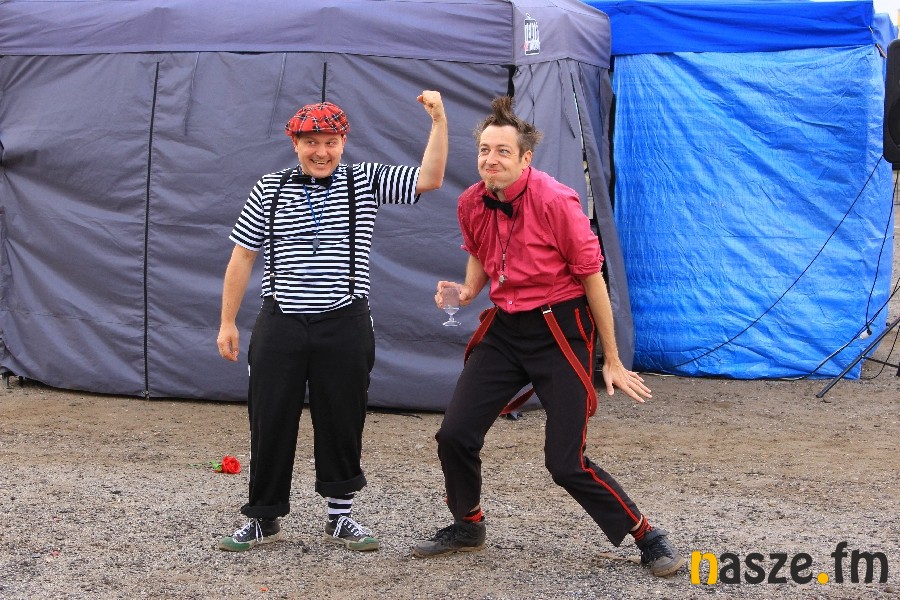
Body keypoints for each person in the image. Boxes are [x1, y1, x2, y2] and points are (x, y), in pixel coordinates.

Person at [412, 96, 684, 577]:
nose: (491, 160)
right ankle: (468, 525)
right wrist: (466, 291)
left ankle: (647, 535)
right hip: (506, 329)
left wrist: (611, 358)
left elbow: (592, 279)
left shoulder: (556, 200)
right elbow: (479, 257)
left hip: (560, 329)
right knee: (454, 434)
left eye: (503, 151)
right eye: (485, 150)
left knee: (565, 463)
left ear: (525, 158)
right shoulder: (471, 201)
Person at [216, 91, 448, 552]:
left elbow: (430, 178)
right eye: (311, 142)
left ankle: (341, 516)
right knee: (269, 418)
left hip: (344, 321)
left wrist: (439, 121)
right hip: (280, 321)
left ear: (344, 142)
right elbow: (242, 256)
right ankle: (263, 516)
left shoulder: (365, 180)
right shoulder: (269, 187)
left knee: (343, 417)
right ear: (295, 144)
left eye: (330, 142)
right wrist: (227, 322)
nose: (321, 152)